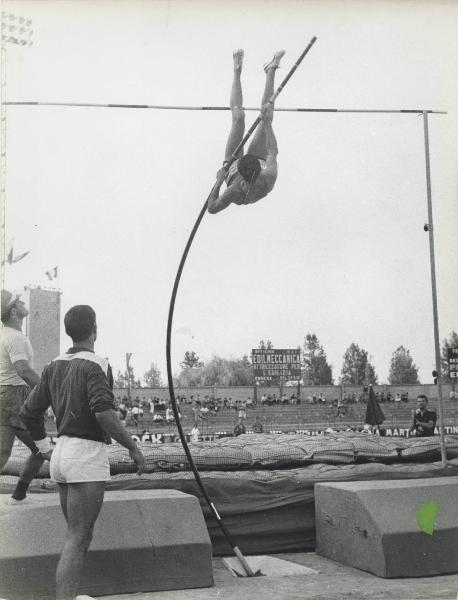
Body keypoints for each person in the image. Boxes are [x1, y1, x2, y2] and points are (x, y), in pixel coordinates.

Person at [19, 304, 145, 600]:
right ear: (94, 330)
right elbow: (103, 413)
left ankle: (71, 595)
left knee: (79, 534)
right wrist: (133, 448)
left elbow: (29, 413)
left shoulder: (53, 365)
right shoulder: (97, 364)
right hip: (85, 453)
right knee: (77, 537)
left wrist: (43, 447)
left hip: (61, 453)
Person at [207, 49, 285, 214]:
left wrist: (219, 182)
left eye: (244, 184)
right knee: (259, 116)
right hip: (255, 160)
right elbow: (273, 150)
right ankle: (269, 70)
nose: (242, 185)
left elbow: (212, 208)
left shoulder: (234, 191)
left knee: (238, 119)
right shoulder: (269, 175)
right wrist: (267, 122)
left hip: (232, 168)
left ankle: (238, 71)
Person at [0, 289, 45, 505]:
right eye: (18, 301)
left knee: (7, 452)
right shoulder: (14, 337)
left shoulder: (10, 336)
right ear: (14, 311)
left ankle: (19, 494)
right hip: (12, 396)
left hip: (12, 395)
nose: (22, 301)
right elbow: (24, 371)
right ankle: (19, 493)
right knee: (39, 449)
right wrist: (49, 392)